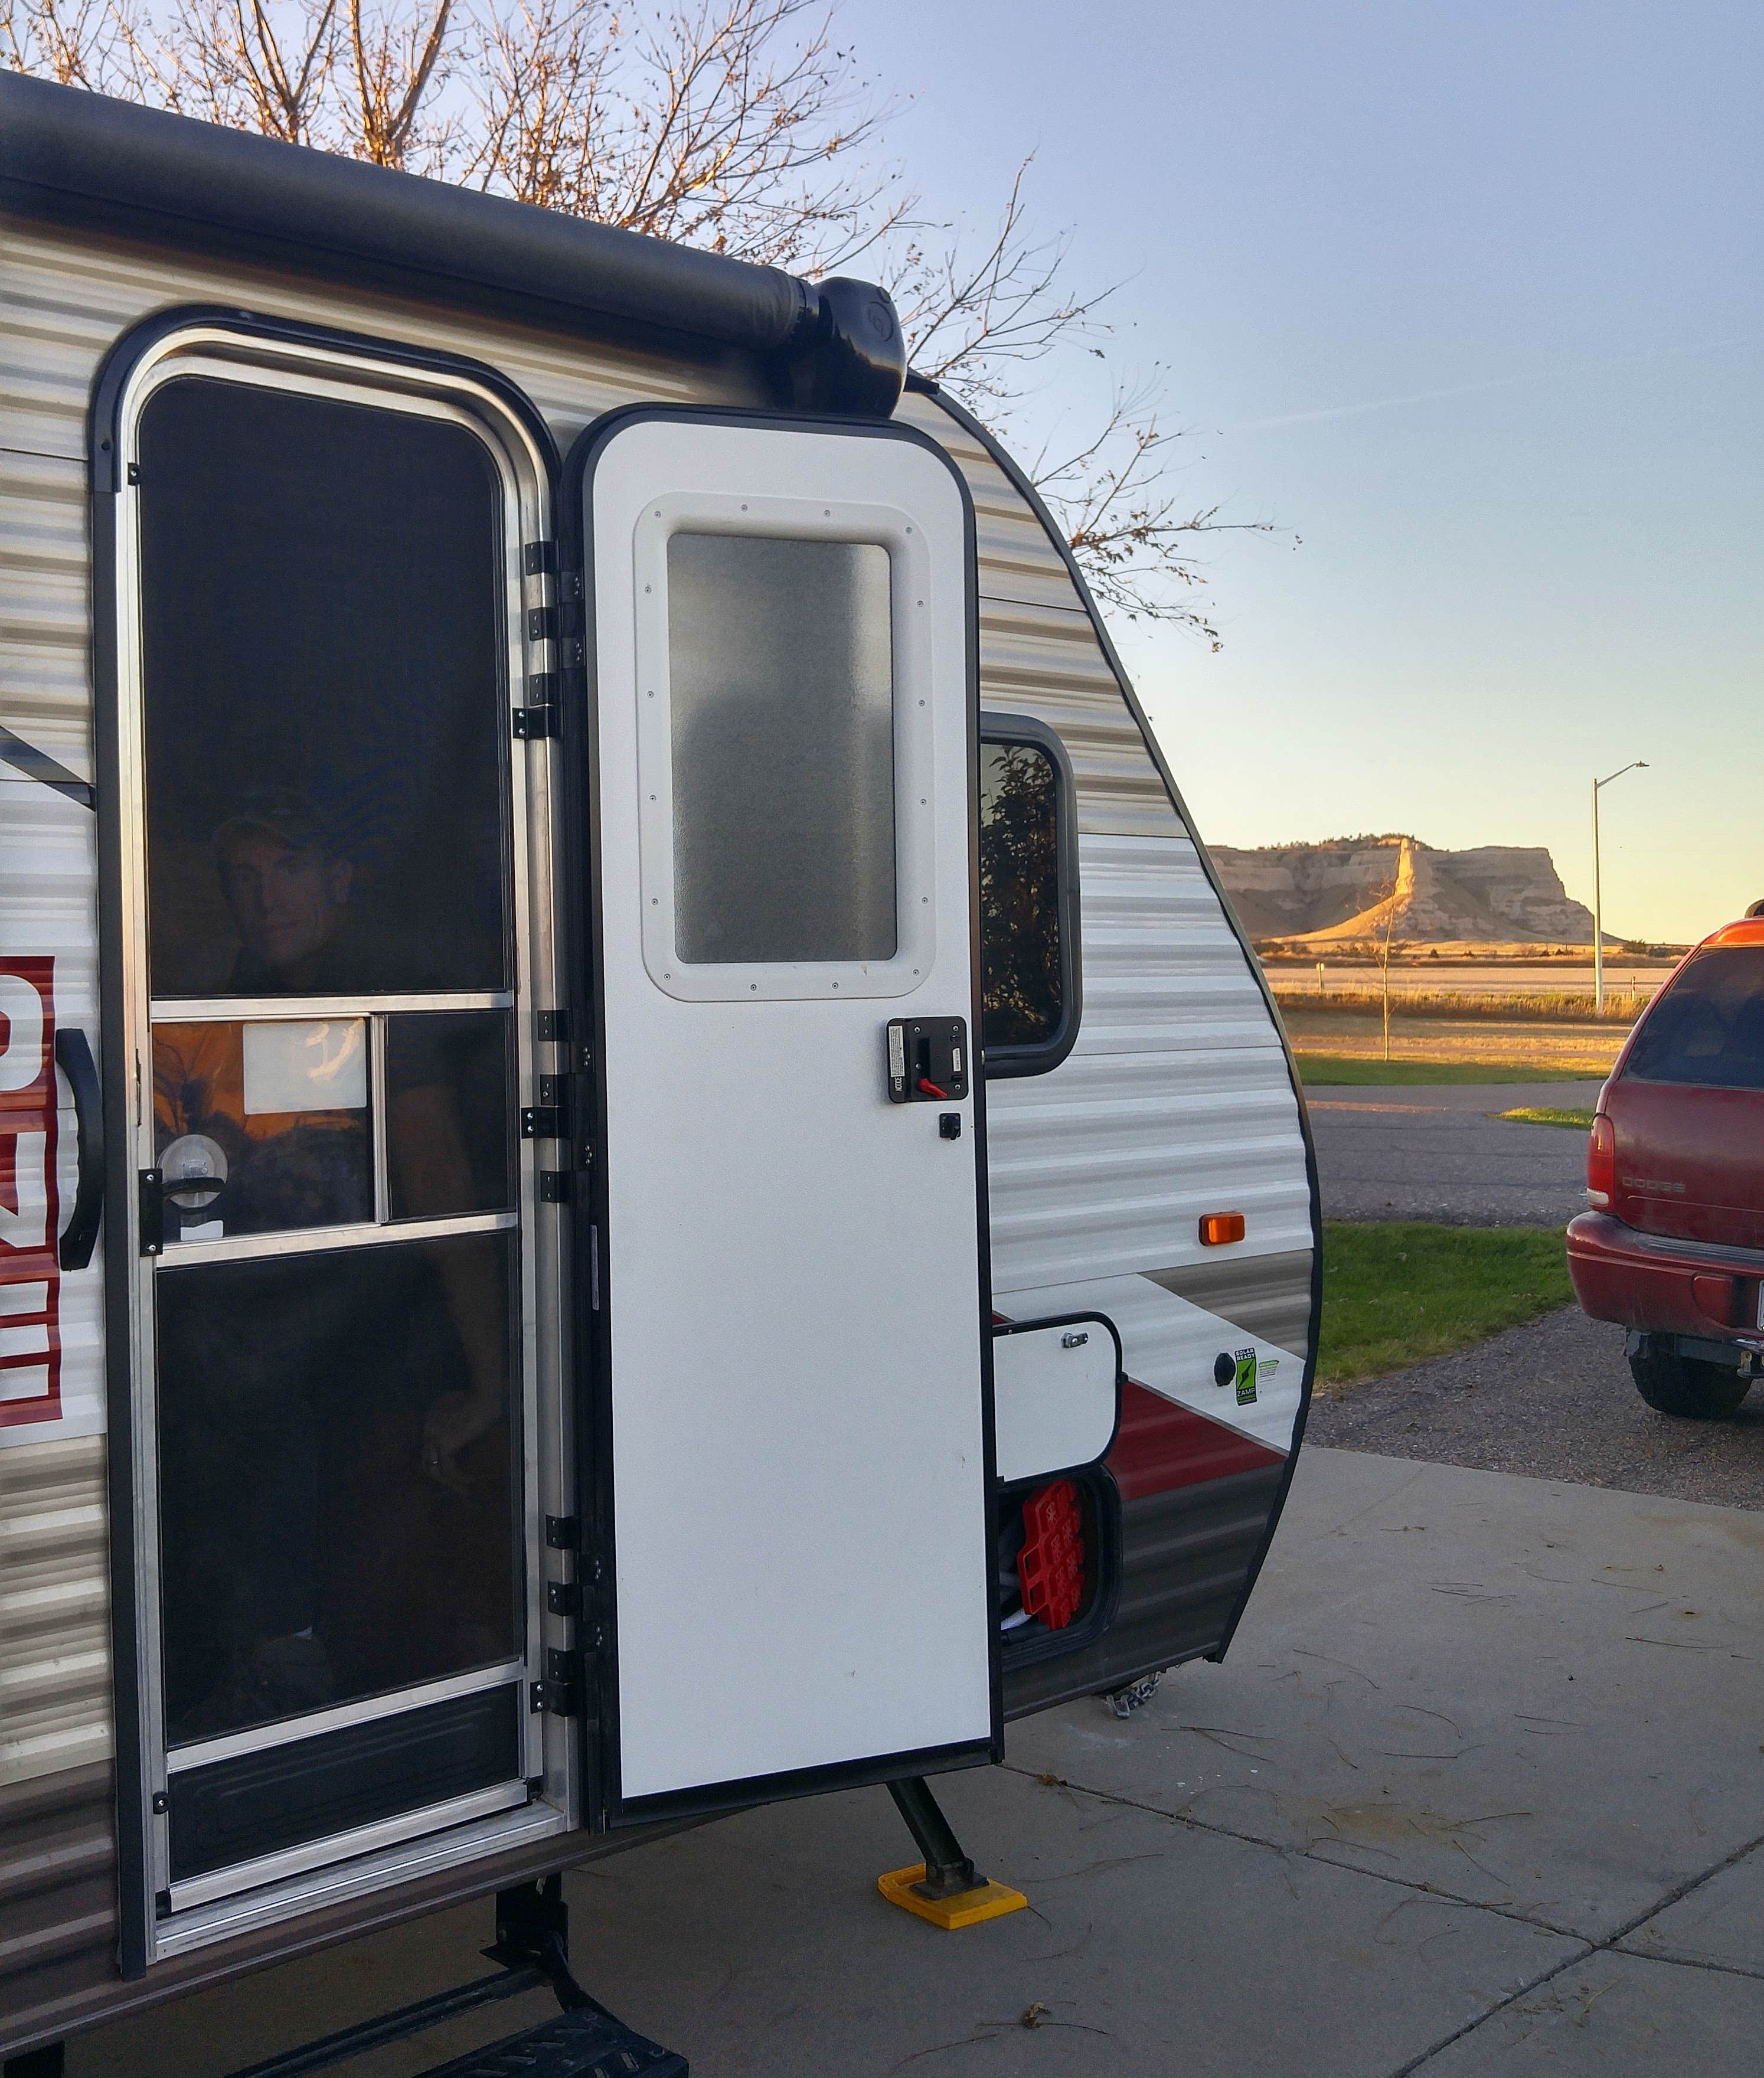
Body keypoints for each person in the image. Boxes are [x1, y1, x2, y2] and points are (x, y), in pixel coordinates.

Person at [154, 791, 512, 1739]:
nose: (264, 899)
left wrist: (490, 1379)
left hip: (384, 1349)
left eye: (290, 870)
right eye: (244, 877)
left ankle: (289, 1698)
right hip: (280, 1334)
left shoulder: (382, 984)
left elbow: (439, 1190)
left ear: (341, 878)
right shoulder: (251, 989)